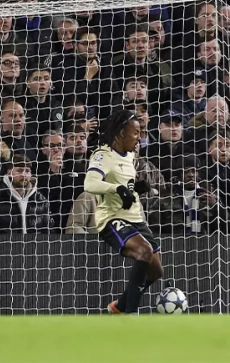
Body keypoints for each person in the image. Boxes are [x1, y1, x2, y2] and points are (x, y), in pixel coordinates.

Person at [84, 109, 161, 314]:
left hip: (135, 217)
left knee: (156, 271)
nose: (139, 138)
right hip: (112, 217)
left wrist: (136, 188)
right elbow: (90, 183)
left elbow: (126, 186)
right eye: (135, 132)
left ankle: (119, 307)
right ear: (121, 133)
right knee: (144, 252)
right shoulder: (102, 155)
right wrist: (116, 189)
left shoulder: (130, 156)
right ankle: (131, 314)